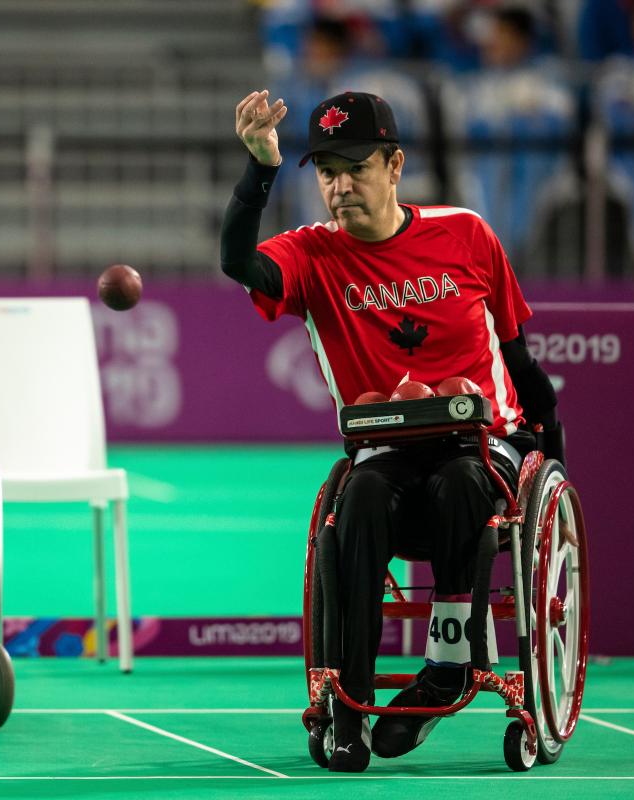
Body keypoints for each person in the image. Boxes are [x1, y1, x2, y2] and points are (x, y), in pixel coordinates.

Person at [220, 89, 563, 772]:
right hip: (383, 451)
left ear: (395, 164)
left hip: (481, 448)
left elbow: (520, 361)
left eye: (355, 167)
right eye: (325, 172)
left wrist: (551, 454)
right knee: (363, 500)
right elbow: (239, 263)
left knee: (463, 482)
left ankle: (447, 667)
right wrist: (260, 167)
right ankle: (351, 703)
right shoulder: (310, 254)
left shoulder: (466, 234)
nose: (340, 186)